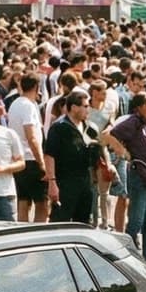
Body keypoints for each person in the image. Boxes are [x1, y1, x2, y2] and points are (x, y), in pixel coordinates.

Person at [104, 92, 146, 269]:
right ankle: (130, 258)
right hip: (139, 175)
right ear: (140, 107)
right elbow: (110, 134)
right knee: (136, 219)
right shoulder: (133, 122)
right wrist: (124, 153)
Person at [44, 91, 100, 226]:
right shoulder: (59, 127)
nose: (88, 110)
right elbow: (49, 155)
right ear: (74, 107)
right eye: (85, 106)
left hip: (85, 181)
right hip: (65, 182)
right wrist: (52, 183)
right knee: (59, 222)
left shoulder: (89, 127)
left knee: (83, 223)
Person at [8, 74, 49, 223]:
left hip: (18, 158)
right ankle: (39, 235)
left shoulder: (14, 104)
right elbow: (32, 137)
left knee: (23, 201)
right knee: (42, 203)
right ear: (36, 88)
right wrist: (42, 162)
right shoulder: (28, 106)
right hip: (31, 159)